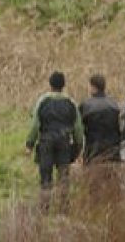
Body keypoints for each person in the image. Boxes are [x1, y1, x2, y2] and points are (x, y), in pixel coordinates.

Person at [25, 72, 84, 204]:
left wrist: (29, 144)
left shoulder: (42, 101)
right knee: (63, 175)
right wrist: (79, 146)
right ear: (63, 85)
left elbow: (35, 125)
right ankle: (64, 205)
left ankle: (45, 205)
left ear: (50, 84)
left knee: (46, 175)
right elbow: (78, 127)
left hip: (46, 141)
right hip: (64, 141)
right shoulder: (71, 102)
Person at [80, 74, 121, 163]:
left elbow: (80, 127)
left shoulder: (86, 105)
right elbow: (118, 127)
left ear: (93, 87)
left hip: (93, 148)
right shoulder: (114, 104)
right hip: (112, 149)